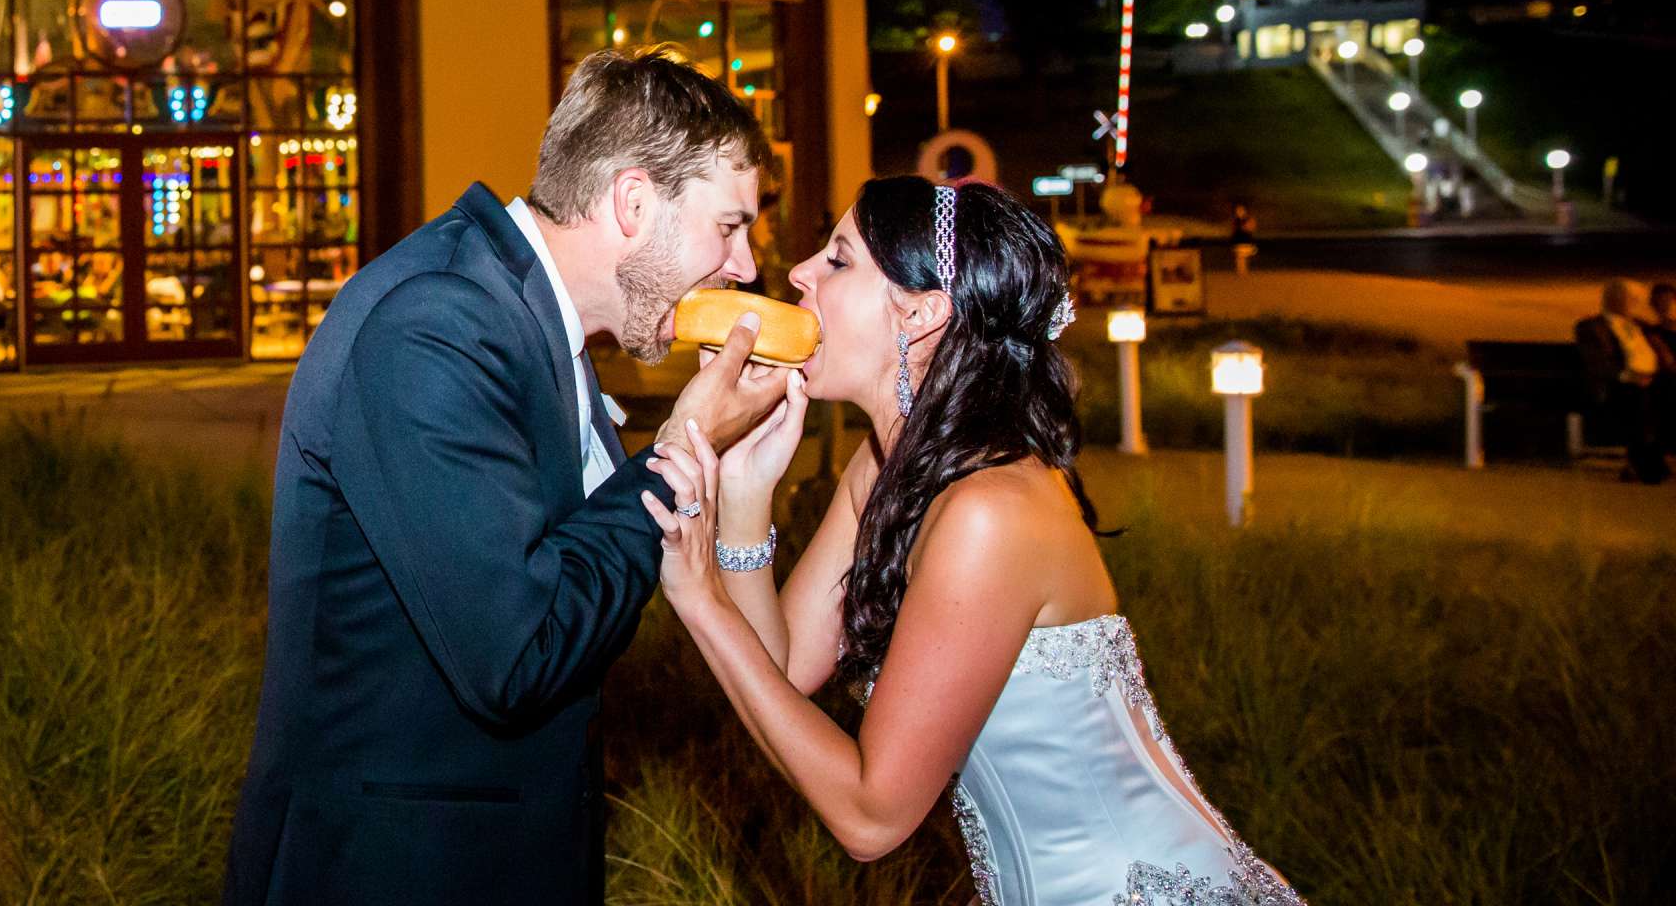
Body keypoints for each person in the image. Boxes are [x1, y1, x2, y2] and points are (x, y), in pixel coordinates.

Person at [223, 48, 790, 905]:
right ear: (635, 203)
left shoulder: (518, 314)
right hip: (396, 871)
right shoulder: (437, 323)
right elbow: (517, 652)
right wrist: (679, 450)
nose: (746, 267)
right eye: (729, 225)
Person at [641, 176, 1306, 904]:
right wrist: (744, 494)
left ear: (921, 314)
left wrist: (701, 598)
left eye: (837, 260)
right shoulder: (886, 469)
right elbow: (787, 667)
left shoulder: (989, 511)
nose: (797, 273)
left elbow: (871, 818)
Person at [1576, 279, 1670, 484]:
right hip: (1618, 383)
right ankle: (1648, 467)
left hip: (1652, 380)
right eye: (1631, 299)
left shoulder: (1641, 326)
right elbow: (1596, 362)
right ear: (1614, 299)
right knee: (1639, 399)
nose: (1635, 304)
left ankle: (1649, 463)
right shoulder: (1592, 327)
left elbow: (1664, 346)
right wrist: (1628, 375)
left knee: (1657, 396)